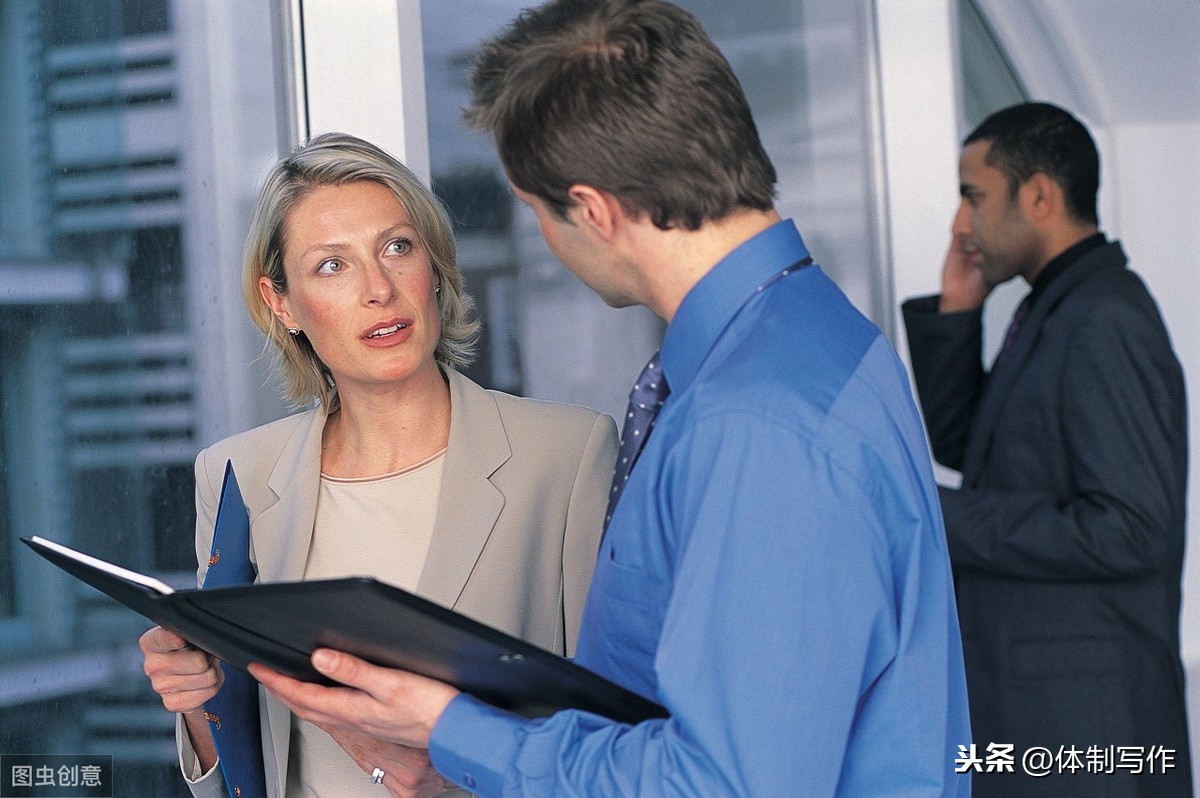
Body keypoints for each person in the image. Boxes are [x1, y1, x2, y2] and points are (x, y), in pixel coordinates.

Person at [248, 2, 972, 796]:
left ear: (592, 211)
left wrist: (455, 733)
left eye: (535, 210)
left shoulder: (754, 422)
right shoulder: (817, 340)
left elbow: (720, 786)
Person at [139, 132, 619, 798]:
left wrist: (466, 776)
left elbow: (615, 736)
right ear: (282, 302)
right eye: (332, 266)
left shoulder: (566, 456)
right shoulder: (236, 475)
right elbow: (242, 765)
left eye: (397, 247)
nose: (379, 290)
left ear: (434, 264)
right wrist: (194, 700)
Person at [902, 102, 1192, 797]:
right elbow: (973, 448)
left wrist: (933, 513)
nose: (959, 224)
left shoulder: (1103, 317)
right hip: (1050, 723)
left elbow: (1132, 528)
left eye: (973, 196)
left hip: (1087, 733)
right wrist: (959, 307)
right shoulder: (1058, 308)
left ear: (1038, 195)